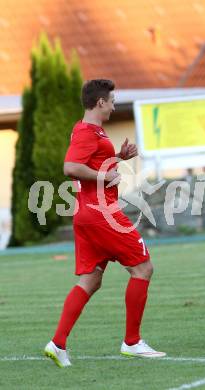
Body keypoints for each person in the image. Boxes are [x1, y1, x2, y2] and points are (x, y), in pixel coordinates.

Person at [44, 79, 165, 367]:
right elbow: (70, 167)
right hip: (102, 213)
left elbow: (90, 164)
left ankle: (57, 343)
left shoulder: (89, 130)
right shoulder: (87, 131)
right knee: (143, 268)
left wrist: (117, 159)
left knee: (91, 279)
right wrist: (104, 176)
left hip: (87, 213)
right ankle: (132, 342)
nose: (113, 105)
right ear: (100, 102)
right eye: (111, 100)